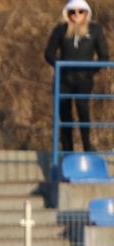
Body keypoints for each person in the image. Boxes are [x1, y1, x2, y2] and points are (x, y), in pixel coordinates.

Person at [45, 0, 109, 152]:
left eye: (80, 11)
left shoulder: (95, 30)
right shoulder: (61, 29)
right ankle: (68, 150)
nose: (76, 15)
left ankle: (87, 145)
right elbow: (49, 53)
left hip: (84, 79)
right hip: (64, 79)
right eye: (72, 12)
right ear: (67, 13)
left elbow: (104, 56)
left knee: (82, 105)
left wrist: (90, 70)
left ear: (86, 13)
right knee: (65, 115)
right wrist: (60, 65)